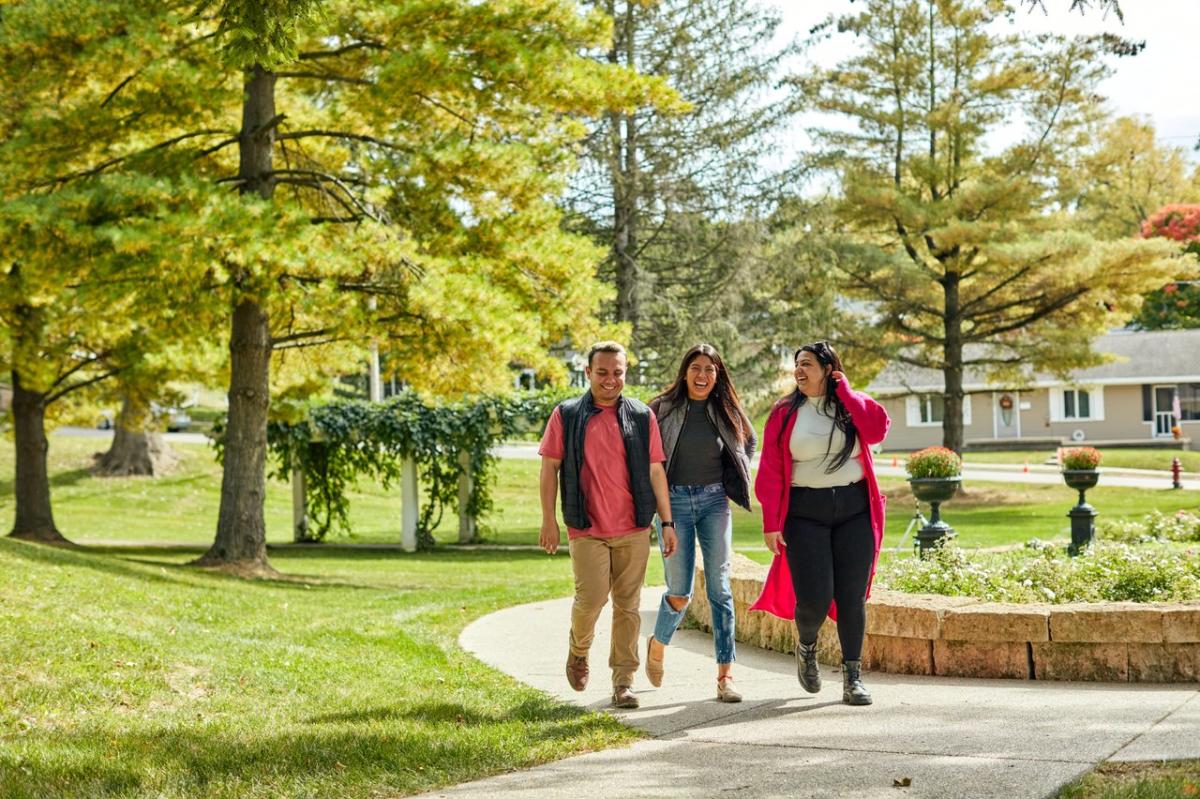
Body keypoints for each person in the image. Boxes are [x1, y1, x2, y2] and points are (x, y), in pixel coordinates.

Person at [538, 341, 678, 709]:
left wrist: (667, 521)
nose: (610, 380)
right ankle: (579, 650)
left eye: (617, 372)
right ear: (587, 373)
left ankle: (623, 681)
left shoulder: (641, 416)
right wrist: (548, 519)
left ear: (625, 373)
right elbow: (549, 467)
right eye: (602, 373)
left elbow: (655, 471)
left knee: (628, 606)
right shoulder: (566, 415)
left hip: (633, 527)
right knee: (591, 599)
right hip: (586, 528)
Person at [749, 341, 890, 705]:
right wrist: (770, 522)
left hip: (854, 510)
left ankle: (852, 678)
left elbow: (875, 431)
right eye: (797, 364)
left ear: (828, 369)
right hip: (804, 514)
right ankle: (807, 646)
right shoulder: (783, 412)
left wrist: (845, 391)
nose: (799, 370)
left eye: (808, 364)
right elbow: (770, 471)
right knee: (813, 599)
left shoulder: (851, 406)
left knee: (852, 597)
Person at [645, 344, 756, 703]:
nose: (702, 375)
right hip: (673, 502)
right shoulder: (661, 409)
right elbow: (647, 459)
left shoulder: (727, 410)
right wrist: (663, 517)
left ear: (718, 375)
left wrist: (733, 477)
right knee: (679, 591)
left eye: (710, 369)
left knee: (720, 589)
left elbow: (748, 442)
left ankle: (726, 676)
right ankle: (658, 643)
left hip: (714, 502)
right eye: (696, 367)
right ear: (685, 371)